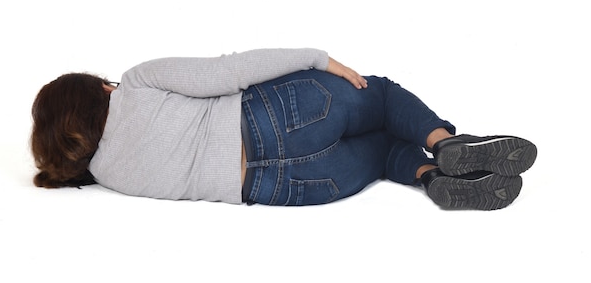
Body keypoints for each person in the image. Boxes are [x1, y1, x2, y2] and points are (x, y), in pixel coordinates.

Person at [30, 48, 537, 210]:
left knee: (383, 154)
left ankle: (431, 177)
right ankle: (446, 143)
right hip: (276, 117)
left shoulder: (108, 174)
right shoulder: (136, 85)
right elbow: (227, 72)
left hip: (285, 187)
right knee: (380, 96)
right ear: (97, 92)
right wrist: (316, 57)